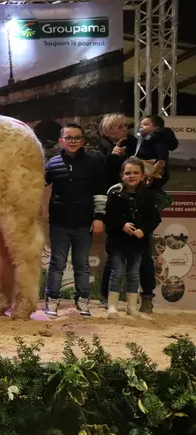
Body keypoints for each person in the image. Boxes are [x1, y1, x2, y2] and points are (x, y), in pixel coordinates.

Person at [44, 123, 106, 317]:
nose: (73, 141)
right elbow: (37, 184)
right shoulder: (52, 163)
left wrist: (99, 218)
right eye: (68, 138)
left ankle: (83, 302)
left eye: (77, 138)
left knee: (82, 265)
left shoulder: (93, 163)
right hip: (59, 223)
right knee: (57, 264)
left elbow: (100, 193)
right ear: (61, 141)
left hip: (84, 223)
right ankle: (52, 301)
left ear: (83, 141)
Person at [103, 157, 161, 318]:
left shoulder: (148, 196)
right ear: (122, 175)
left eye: (136, 173)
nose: (132, 176)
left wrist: (144, 230)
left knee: (134, 273)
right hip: (118, 242)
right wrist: (122, 225)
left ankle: (131, 306)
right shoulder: (115, 194)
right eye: (128, 173)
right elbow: (108, 217)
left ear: (143, 175)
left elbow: (155, 219)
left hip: (138, 243)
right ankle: (112, 306)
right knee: (117, 272)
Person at [134, 115, 179, 313]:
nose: (141, 127)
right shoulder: (150, 139)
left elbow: (161, 157)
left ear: (155, 126)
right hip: (133, 223)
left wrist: (156, 169)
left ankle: (146, 299)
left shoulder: (154, 138)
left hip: (144, 221)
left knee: (144, 257)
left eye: (145, 124)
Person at [97, 113, 136, 305]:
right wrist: (112, 157)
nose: (124, 129)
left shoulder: (132, 145)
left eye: (125, 126)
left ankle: (129, 297)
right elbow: (101, 178)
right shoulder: (102, 149)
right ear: (108, 130)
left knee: (135, 255)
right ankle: (108, 295)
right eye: (119, 126)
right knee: (115, 253)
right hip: (113, 205)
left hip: (133, 203)